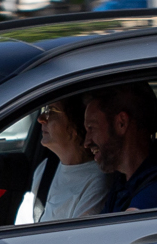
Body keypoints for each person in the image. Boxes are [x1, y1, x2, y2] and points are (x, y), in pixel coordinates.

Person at [85, 81, 157, 213]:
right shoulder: (121, 183)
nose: (86, 142)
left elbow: (124, 232)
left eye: (92, 128)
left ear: (121, 123)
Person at [17, 94, 114, 225]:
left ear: (76, 126)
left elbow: (77, 240)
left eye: (51, 111)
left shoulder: (98, 181)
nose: (41, 118)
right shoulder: (46, 168)